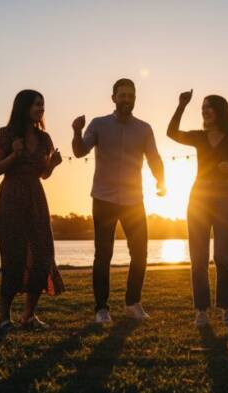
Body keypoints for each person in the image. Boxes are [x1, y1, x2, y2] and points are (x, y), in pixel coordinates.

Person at [72, 78, 166, 323]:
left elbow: (154, 158)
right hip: (104, 198)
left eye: (130, 96)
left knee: (140, 253)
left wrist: (161, 180)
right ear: (113, 98)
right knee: (103, 255)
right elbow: (80, 151)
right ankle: (101, 309)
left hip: (134, 200)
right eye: (122, 95)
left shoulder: (144, 128)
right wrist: (75, 132)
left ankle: (133, 303)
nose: (127, 100)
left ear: (135, 98)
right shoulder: (99, 124)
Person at [167, 90, 228, 327]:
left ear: (220, 110)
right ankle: (201, 310)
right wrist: (181, 105)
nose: (204, 110)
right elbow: (171, 133)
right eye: (202, 107)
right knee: (198, 257)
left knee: (223, 256)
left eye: (208, 106)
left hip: (225, 196)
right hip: (199, 197)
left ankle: (226, 308)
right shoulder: (199, 137)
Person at [0, 90, 64, 331]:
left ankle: (29, 316)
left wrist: (51, 166)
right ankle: (4, 318)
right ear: (23, 107)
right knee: (14, 256)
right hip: (11, 196)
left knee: (42, 255)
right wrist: (14, 154)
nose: (41, 109)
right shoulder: (6, 134)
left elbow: (43, 174)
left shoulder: (45, 139)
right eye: (36, 105)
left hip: (36, 197)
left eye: (42, 105)